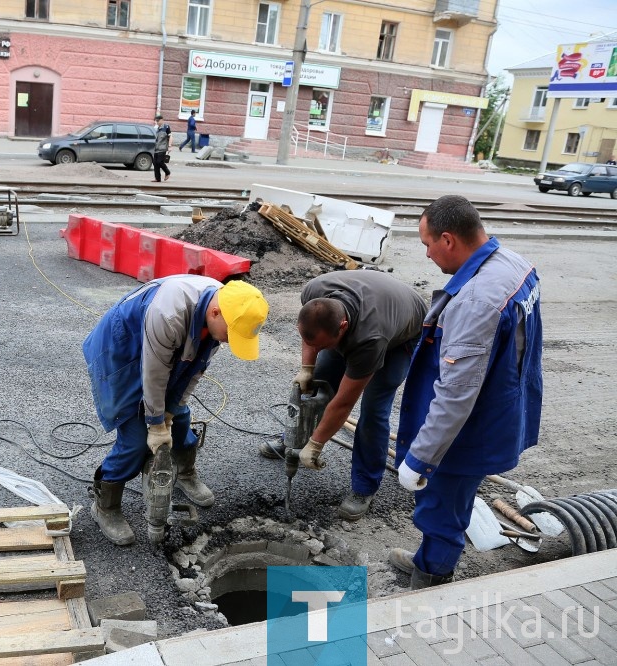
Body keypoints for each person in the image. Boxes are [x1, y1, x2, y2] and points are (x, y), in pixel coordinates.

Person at [389, 195, 542, 590]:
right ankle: (428, 558)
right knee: (449, 501)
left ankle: (431, 578)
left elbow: (456, 395)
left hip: (469, 427)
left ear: (449, 239)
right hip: (501, 404)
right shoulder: (512, 263)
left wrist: (420, 459)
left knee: (443, 504)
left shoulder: (477, 302)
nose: (426, 255)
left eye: (427, 245)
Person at [84, 276, 269, 545]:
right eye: (230, 335)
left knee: (180, 419)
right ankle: (106, 506)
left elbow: (194, 371)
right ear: (215, 313)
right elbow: (154, 374)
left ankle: (184, 472)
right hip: (124, 347)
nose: (230, 342)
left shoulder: (228, 306)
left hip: (160, 348)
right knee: (135, 439)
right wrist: (156, 425)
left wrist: (170, 412)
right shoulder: (169, 313)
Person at [260, 271, 425, 522]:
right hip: (372, 305)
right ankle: (293, 442)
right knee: (319, 382)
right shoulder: (313, 290)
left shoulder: (370, 337)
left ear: (343, 327)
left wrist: (317, 444)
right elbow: (310, 333)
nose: (320, 350)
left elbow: (344, 403)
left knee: (373, 410)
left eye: (325, 345)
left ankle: (364, 487)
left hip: (401, 334)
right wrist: (307, 368)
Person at [152, 113, 171, 183]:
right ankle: (157, 178)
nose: (157, 122)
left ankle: (167, 172)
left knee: (159, 162)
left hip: (163, 148)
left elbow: (170, 136)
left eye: (158, 121)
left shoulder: (166, 127)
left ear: (162, 120)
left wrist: (170, 146)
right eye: (156, 121)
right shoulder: (157, 128)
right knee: (155, 162)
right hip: (156, 148)